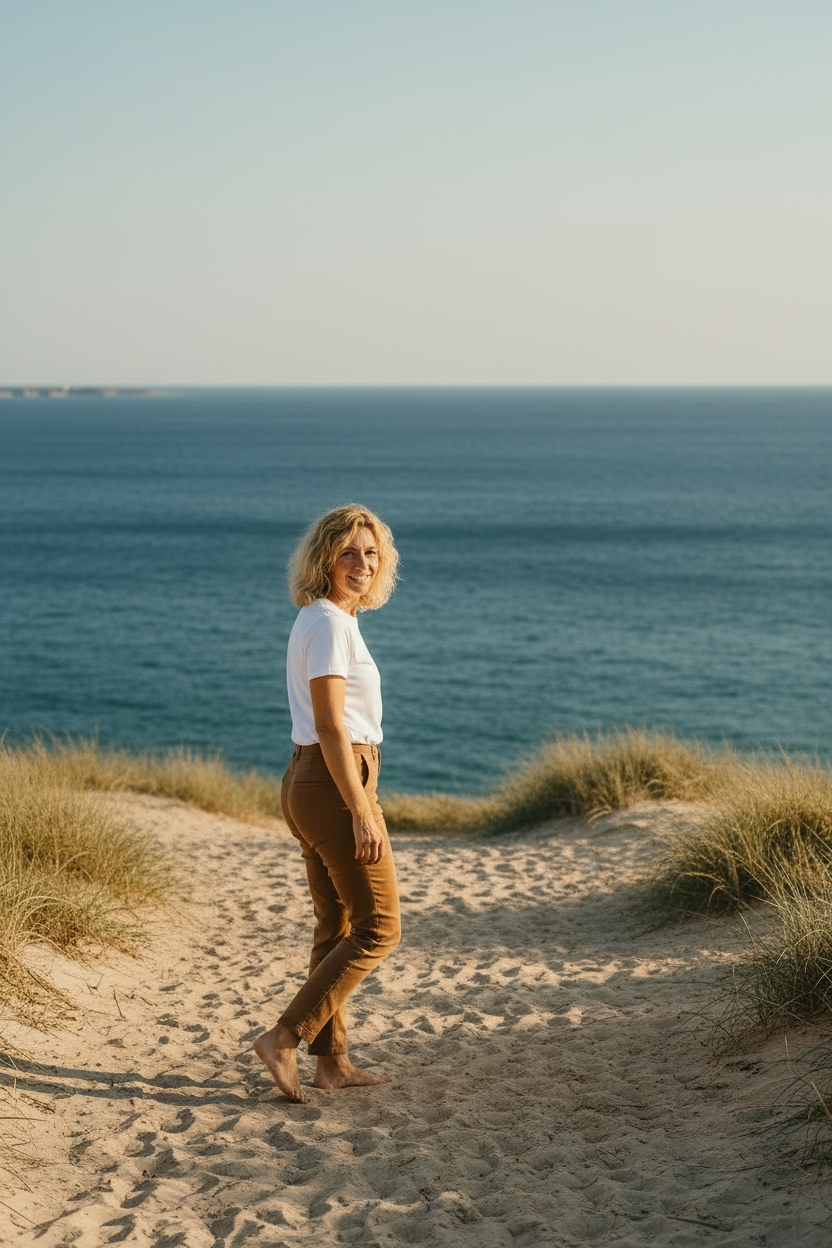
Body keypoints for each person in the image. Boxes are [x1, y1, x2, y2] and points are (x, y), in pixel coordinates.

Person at [254, 504, 401, 1102]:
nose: (362, 564)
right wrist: (363, 808)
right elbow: (333, 726)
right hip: (336, 779)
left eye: (370, 553)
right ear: (324, 559)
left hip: (309, 780)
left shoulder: (325, 619)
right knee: (379, 926)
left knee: (336, 923)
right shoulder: (331, 625)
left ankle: (331, 1060)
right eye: (348, 552)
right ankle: (286, 1037)